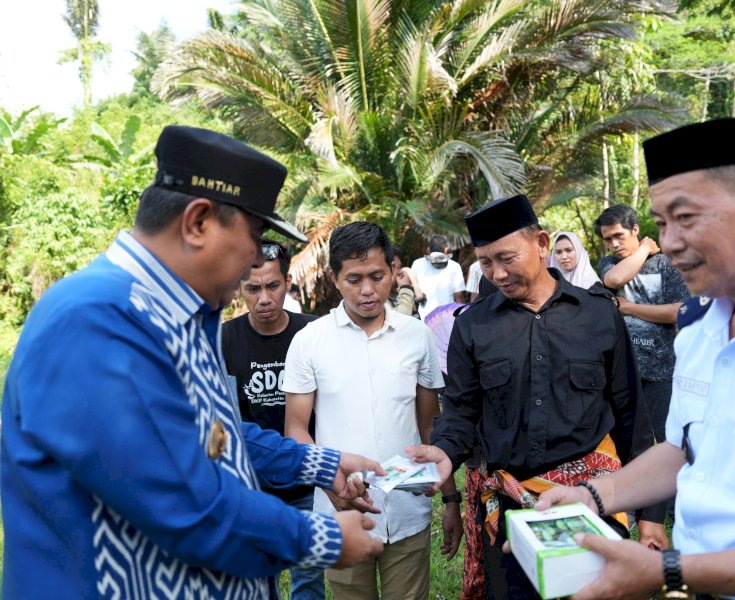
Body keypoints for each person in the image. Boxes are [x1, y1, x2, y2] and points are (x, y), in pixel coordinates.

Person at [1, 125, 385, 599]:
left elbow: (209, 437)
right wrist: (320, 538)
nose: (253, 260)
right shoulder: (96, 320)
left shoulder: (180, 315)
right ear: (198, 222)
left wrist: (319, 464)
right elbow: (181, 504)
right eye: (254, 235)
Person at [533, 117, 735, 600]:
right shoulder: (701, 326)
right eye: (661, 223)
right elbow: (681, 448)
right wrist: (595, 495)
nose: (671, 242)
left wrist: (672, 570)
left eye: (687, 217)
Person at [408, 194, 653, 599]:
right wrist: (447, 453)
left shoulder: (597, 314)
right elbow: (462, 411)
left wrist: (651, 517)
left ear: (541, 244)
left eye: (506, 258)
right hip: (509, 507)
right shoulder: (472, 327)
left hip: (592, 502)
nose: (497, 274)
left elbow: (631, 415)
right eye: (486, 262)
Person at [283, 222, 463, 600]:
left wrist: (450, 499)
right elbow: (296, 430)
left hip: (407, 508)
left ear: (395, 272)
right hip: (340, 513)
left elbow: (431, 425)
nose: (367, 290)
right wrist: (329, 478)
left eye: (378, 276)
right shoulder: (309, 342)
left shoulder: (417, 336)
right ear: (334, 278)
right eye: (354, 279)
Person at [222, 240, 323, 599]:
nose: (264, 298)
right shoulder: (224, 340)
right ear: (240, 288)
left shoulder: (314, 333)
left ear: (287, 282)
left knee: (309, 577)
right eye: (253, 288)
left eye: (272, 286)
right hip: (253, 485)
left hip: (308, 480)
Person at [594, 204, 690, 549]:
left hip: (663, 370)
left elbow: (680, 311)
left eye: (620, 235)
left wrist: (630, 308)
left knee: (670, 446)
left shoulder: (666, 265)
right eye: (608, 239)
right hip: (623, 375)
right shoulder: (610, 264)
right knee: (629, 447)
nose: (614, 244)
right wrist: (646, 248)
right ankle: (635, 515)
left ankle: (677, 519)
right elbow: (614, 280)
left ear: (635, 229)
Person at [410, 234, 467, 319]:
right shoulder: (455, 266)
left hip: (423, 317)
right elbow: (458, 295)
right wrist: (464, 315)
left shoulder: (417, 264)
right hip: (448, 317)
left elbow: (411, 287)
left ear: (428, 250)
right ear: (446, 249)